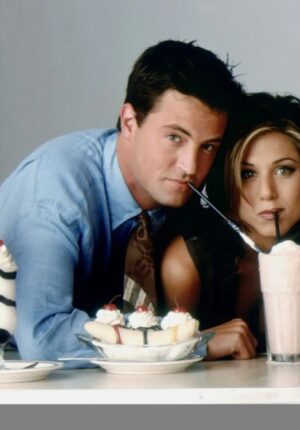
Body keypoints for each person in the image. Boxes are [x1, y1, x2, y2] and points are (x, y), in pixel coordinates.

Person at [0, 40, 244, 365]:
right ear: (129, 122)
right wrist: (190, 345)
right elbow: (42, 336)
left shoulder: (176, 194)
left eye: (208, 146)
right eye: (174, 137)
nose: (191, 167)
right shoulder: (54, 195)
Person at [160, 93, 300, 361]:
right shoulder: (186, 263)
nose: (267, 193)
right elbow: (164, 361)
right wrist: (199, 345)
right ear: (225, 180)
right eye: (247, 174)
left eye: (284, 170)